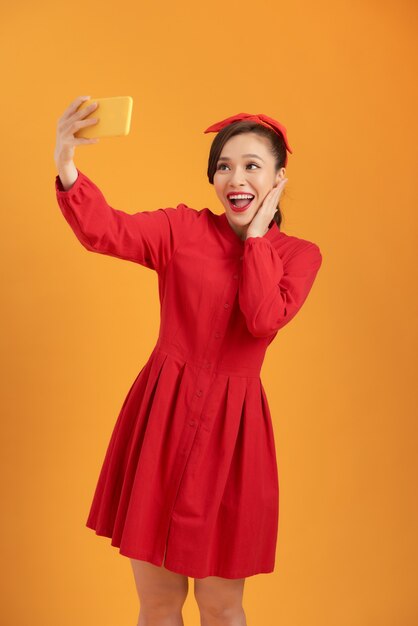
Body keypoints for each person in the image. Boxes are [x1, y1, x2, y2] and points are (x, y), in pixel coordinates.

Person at [54, 95, 323, 626]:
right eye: (224, 166)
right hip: (161, 421)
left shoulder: (299, 255)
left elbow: (264, 317)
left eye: (252, 166)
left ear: (278, 178)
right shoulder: (182, 229)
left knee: (221, 606)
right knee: (156, 603)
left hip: (233, 437)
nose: (235, 178)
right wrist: (67, 166)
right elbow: (106, 230)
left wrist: (259, 239)